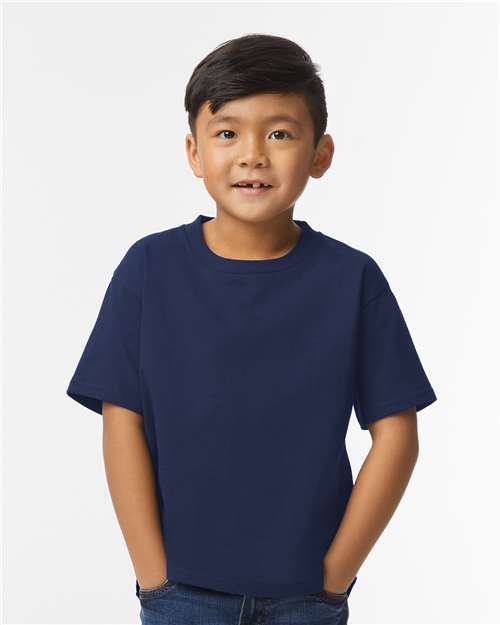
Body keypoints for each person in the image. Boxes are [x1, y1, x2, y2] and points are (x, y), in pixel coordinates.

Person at [66, 33, 437, 625]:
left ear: (321, 154)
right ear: (194, 153)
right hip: (181, 595)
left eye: (280, 134)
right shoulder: (150, 268)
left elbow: (397, 434)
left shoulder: (351, 279)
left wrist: (334, 575)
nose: (253, 155)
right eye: (227, 133)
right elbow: (121, 420)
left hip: (305, 599)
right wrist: (154, 577)